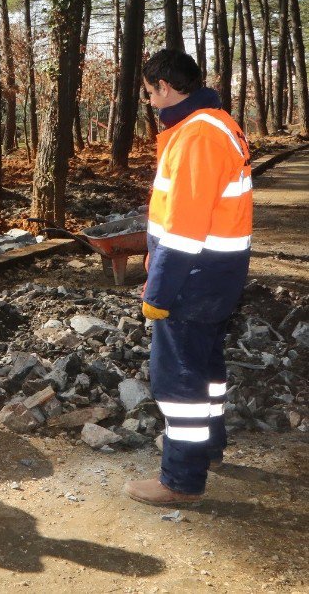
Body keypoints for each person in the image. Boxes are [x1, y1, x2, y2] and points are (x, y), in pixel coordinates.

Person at [124, 49, 253, 507]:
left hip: (194, 275)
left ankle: (180, 481)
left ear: (164, 87)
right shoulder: (217, 123)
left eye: (149, 93)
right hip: (220, 272)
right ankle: (207, 449)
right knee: (206, 367)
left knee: (178, 379)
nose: (150, 102)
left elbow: (184, 227)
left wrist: (158, 290)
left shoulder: (197, 135)